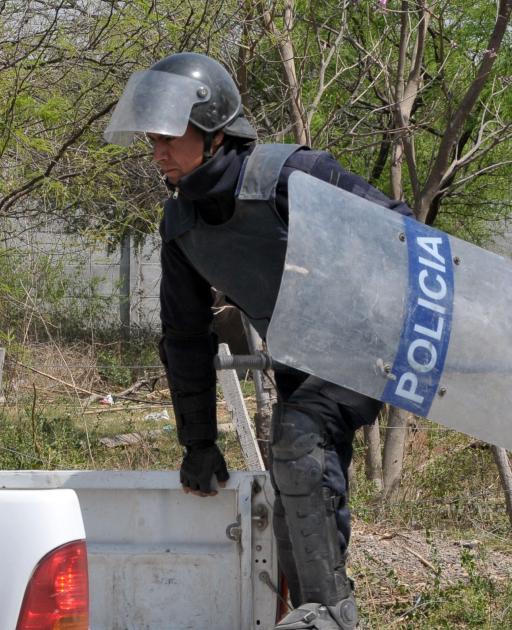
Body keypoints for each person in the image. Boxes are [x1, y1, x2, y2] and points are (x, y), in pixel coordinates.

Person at [104, 53, 415, 630]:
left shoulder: (295, 175)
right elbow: (184, 339)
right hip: (303, 361)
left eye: (169, 138)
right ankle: (312, 606)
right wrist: (197, 443)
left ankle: (330, 616)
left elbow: (398, 230)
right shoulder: (182, 226)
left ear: (215, 131)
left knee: (297, 439)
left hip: (373, 346)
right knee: (294, 469)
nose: (158, 153)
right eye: (152, 140)